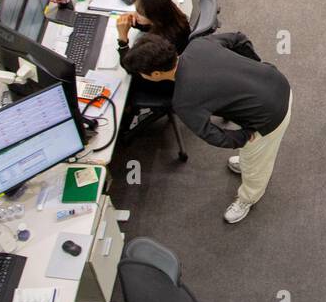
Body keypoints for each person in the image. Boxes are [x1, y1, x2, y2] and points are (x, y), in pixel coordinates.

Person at [121, 31, 293, 225]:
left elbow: (213, 135)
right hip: (275, 80)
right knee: (250, 154)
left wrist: (244, 137)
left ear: (156, 74)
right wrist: (255, 65)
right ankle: (246, 161)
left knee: (257, 166)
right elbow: (239, 38)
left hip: (272, 115)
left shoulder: (184, 100)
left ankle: (248, 198)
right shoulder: (199, 45)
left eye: (142, 73)